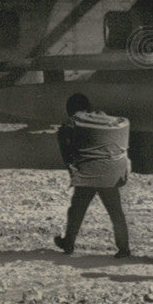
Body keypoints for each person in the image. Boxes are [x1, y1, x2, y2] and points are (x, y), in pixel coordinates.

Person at [53, 93, 131, 258]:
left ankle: (68, 243)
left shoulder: (72, 123)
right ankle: (124, 248)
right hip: (111, 174)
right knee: (115, 211)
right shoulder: (103, 119)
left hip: (89, 174)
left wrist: (74, 169)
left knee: (77, 210)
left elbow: (67, 149)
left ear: (70, 110)